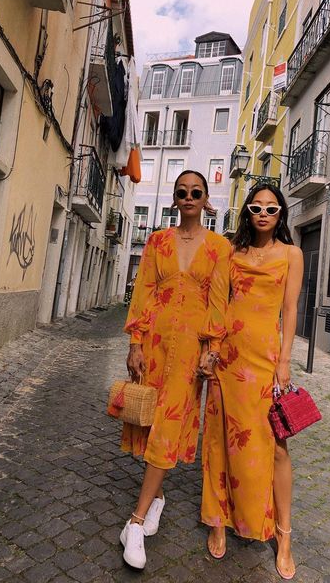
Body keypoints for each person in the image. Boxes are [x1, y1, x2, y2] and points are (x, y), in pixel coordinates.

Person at [120, 170, 231, 569]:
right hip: (154, 343)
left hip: (189, 351)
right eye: (182, 192)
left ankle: (135, 521)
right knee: (150, 420)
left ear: (206, 200)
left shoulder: (219, 247)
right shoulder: (157, 241)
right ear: (174, 199)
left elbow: (219, 302)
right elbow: (143, 290)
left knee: (170, 425)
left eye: (195, 192)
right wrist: (135, 342)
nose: (188, 198)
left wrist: (213, 348)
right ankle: (159, 498)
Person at [201, 183, 304, 580]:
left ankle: (284, 534)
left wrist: (285, 361)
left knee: (277, 447)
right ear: (247, 212)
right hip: (228, 357)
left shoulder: (291, 255)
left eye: (272, 208)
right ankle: (218, 519)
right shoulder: (232, 252)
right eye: (257, 207)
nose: (263, 214)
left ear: (281, 214)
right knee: (219, 439)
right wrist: (211, 349)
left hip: (265, 362)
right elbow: (218, 302)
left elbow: (291, 310)